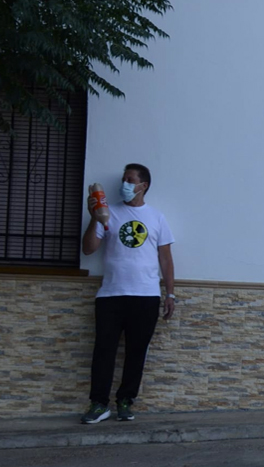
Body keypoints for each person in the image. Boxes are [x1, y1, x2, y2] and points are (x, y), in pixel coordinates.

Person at [80, 164, 176, 424]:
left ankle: (125, 401)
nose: (124, 183)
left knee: (136, 353)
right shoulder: (107, 213)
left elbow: (165, 259)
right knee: (103, 351)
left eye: (129, 179)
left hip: (145, 297)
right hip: (110, 296)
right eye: (123, 179)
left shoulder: (157, 218)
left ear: (142, 185)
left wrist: (170, 294)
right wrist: (93, 217)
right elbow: (88, 249)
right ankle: (99, 404)